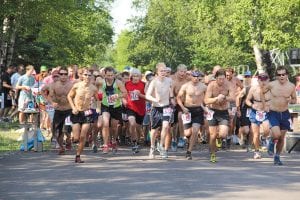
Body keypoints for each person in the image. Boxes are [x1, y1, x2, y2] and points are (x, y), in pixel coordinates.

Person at [265, 66, 297, 165]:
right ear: (276, 76)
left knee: (281, 138)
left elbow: (294, 100)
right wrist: (264, 104)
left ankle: (277, 156)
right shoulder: (271, 85)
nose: (281, 76)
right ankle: (271, 141)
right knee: (277, 135)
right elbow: (262, 92)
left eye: (283, 74)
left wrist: (290, 101)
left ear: (287, 75)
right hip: (273, 112)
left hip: (285, 113)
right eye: (279, 75)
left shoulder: (291, 86)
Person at [67, 68, 100, 163]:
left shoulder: (93, 88)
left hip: (86, 113)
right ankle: (74, 139)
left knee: (83, 136)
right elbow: (69, 96)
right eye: (85, 75)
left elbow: (98, 99)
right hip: (77, 112)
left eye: (89, 75)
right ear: (82, 76)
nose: (87, 77)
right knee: (77, 137)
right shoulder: (76, 86)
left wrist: (98, 108)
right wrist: (73, 108)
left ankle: (78, 156)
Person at [146, 62, 176, 159]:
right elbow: (147, 95)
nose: (163, 72)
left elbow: (171, 91)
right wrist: (155, 100)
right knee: (154, 130)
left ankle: (162, 146)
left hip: (166, 107)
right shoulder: (154, 82)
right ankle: (152, 147)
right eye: (161, 71)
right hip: (156, 108)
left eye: (165, 71)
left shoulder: (169, 80)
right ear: (157, 72)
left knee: (166, 126)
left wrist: (172, 99)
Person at [204, 69, 234, 163]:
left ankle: (220, 138)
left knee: (223, 133)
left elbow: (233, 98)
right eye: (220, 79)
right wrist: (217, 98)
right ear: (216, 78)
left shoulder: (228, 85)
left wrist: (224, 97)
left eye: (223, 79)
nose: (222, 81)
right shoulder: (211, 85)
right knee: (212, 135)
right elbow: (206, 100)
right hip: (213, 111)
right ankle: (213, 154)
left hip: (223, 111)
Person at [177, 71, 207, 160]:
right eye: (194, 76)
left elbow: (208, 97)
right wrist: (183, 108)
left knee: (195, 130)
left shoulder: (203, 86)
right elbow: (178, 97)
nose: (196, 78)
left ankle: (189, 151)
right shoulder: (185, 86)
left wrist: (206, 107)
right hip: (187, 110)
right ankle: (189, 142)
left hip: (198, 110)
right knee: (187, 133)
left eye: (198, 77)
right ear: (191, 77)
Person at [100, 66, 127, 154]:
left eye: (112, 75)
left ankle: (114, 140)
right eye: (108, 75)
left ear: (114, 75)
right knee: (106, 123)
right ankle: (105, 144)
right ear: (105, 74)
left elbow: (125, 93)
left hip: (116, 106)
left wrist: (117, 96)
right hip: (105, 105)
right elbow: (96, 89)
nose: (110, 77)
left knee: (114, 127)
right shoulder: (101, 82)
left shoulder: (118, 83)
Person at [245, 72, 271, 159]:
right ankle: (257, 151)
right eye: (261, 79)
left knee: (267, 130)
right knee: (255, 134)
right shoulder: (253, 89)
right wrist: (252, 105)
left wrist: (270, 106)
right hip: (255, 111)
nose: (263, 82)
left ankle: (263, 138)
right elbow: (247, 100)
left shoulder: (272, 89)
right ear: (258, 80)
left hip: (266, 111)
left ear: (268, 80)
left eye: (265, 79)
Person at [125, 68, 146, 153]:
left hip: (141, 108)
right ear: (131, 76)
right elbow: (123, 94)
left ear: (140, 77)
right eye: (134, 76)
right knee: (132, 123)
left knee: (138, 127)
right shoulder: (127, 84)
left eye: (137, 76)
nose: (136, 78)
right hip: (130, 107)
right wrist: (124, 101)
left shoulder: (144, 84)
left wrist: (140, 94)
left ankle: (137, 140)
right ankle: (134, 143)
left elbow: (147, 97)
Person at [171, 64, 188, 151]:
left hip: (184, 103)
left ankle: (181, 137)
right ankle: (174, 139)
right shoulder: (173, 80)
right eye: (181, 71)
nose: (183, 73)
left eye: (184, 72)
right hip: (175, 103)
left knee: (180, 117)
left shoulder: (188, 80)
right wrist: (172, 99)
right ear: (177, 71)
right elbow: (171, 92)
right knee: (174, 125)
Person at [236, 71, 252, 150]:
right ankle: (241, 136)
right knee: (246, 129)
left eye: (249, 76)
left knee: (252, 127)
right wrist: (238, 109)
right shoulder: (244, 88)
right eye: (246, 76)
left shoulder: (255, 86)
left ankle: (249, 144)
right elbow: (238, 97)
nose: (247, 78)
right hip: (244, 109)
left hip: (253, 109)